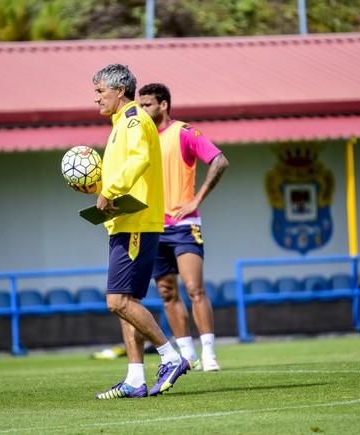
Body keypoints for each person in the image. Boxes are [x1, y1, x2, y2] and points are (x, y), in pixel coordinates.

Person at [74, 64, 189, 398]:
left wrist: (110, 191)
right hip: (124, 222)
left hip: (136, 223)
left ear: (119, 90)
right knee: (130, 303)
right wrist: (97, 187)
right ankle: (135, 378)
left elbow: (139, 159)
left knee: (118, 301)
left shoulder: (134, 119)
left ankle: (170, 357)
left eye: (100, 91)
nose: (96, 98)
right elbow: (125, 168)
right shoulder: (120, 124)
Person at [138, 83, 229, 371]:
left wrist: (197, 199)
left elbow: (220, 161)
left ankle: (209, 354)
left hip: (184, 225)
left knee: (194, 288)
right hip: (153, 226)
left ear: (163, 105)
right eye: (140, 105)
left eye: (147, 105)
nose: (142, 110)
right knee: (166, 292)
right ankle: (186, 354)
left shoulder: (185, 133)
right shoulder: (141, 139)